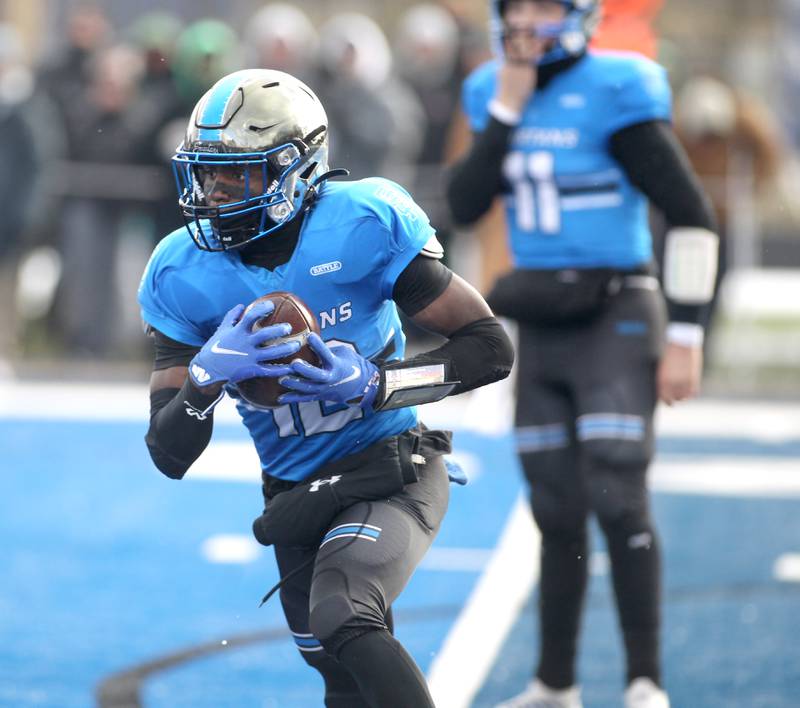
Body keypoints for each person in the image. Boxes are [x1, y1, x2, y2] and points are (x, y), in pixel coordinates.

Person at [138, 68, 514, 708]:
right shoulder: (182, 270)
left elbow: (490, 348)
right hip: (296, 489)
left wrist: (378, 383)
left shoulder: (360, 223)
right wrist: (203, 380)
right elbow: (167, 453)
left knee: (344, 611)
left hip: (390, 467)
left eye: (235, 175)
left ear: (294, 169)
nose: (214, 193)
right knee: (338, 672)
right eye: (207, 175)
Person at [446, 2, 719, 707]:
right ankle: (555, 685)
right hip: (543, 320)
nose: (527, 18)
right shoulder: (491, 89)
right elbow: (465, 205)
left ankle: (645, 683)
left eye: (545, 4)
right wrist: (507, 110)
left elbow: (691, 214)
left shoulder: (617, 85)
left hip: (616, 310)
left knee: (619, 498)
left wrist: (686, 335)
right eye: (517, 4)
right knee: (556, 506)